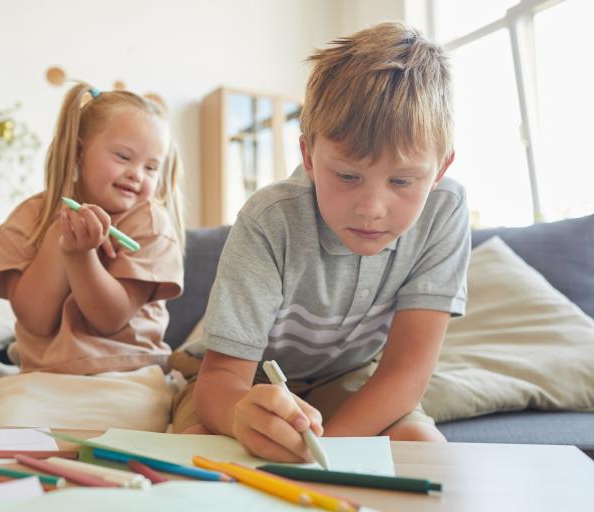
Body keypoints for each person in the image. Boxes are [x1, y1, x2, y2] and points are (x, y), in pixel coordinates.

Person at [170, 22, 470, 462]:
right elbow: (221, 377)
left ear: (439, 169)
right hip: (241, 381)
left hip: (349, 378)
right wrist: (240, 417)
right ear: (308, 155)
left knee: (423, 450)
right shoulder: (269, 219)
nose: (371, 208)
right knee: (200, 445)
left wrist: (320, 455)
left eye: (402, 180)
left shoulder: (445, 209)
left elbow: (406, 372)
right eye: (347, 176)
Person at [0, 83, 185, 430]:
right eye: (123, 157)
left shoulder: (150, 223)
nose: (137, 174)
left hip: (126, 376)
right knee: (5, 429)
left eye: (151, 167)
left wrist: (80, 256)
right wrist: (59, 238)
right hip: (42, 378)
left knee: (123, 442)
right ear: (78, 152)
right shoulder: (32, 217)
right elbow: (35, 320)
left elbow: (109, 318)